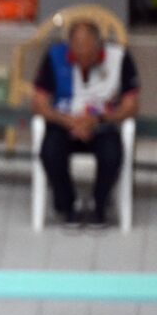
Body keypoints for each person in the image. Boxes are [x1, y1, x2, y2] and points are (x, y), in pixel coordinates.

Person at [31, 20, 140, 229]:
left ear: (98, 46)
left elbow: (131, 106)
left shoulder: (119, 57)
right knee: (49, 152)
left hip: (102, 124)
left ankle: (99, 206)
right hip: (65, 123)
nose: (82, 60)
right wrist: (67, 120)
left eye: (87, 54)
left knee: (112, 155)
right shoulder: (55, 56)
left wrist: (98, 120)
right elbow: (38, 104)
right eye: (76, 54)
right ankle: (67, 205)